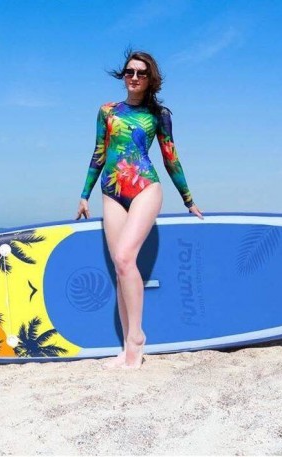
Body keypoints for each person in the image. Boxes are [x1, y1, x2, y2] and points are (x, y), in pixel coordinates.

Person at [76, 50, 203, 369]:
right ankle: (127, 348)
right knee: (121, 269)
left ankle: (137, 338)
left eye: (141, 73)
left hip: (145, 186)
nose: (134, 77)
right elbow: (99, 153)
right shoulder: (107, 111)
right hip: (111, 192)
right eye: (130, 72)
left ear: (150, 79)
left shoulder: (159, 114)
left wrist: (188, 199)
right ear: (124, 76)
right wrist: (84, 194)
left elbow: (171, 158)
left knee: (124, 257)